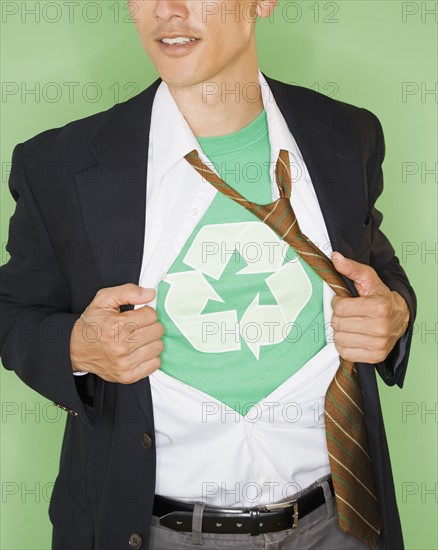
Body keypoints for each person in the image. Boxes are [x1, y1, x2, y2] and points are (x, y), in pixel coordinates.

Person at [0, 1, 416, 549]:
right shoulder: (62, 164)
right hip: (150, 528)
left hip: (340, 519)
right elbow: (14, 313)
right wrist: (77, 347)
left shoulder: (347, 135)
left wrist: (396, 313)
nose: (168, 10)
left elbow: (376, 265)